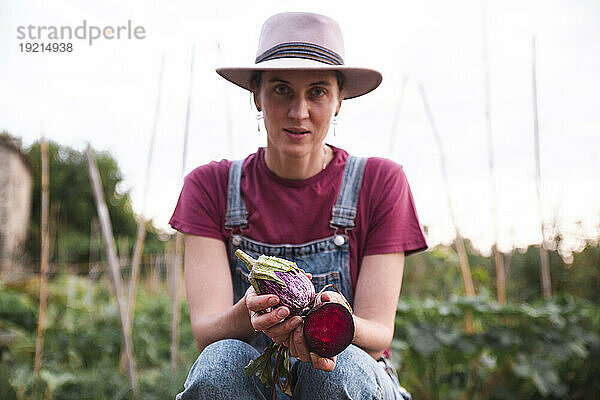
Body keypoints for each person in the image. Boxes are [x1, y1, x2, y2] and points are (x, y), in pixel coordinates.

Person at [169, 11, 427, 400]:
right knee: (218, 365)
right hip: (251, 378)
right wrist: (258, 311)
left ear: (340, 99)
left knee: (341, 370)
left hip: (350, 377)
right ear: (256, 94)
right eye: (281, 90)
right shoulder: (210, 186)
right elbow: (207, 332)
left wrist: (332, 320)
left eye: (318, 92)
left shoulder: (379, 181)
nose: (299, 111)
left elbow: (378, 334)